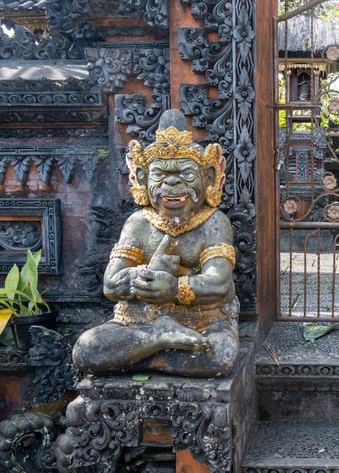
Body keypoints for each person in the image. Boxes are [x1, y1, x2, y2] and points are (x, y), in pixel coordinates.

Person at [72, 109, 239, 377]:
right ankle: (158, 341)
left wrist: (174, 287)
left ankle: (135, 354)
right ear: (141, 177)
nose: (172, 183)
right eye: (160, 175)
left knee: (220, 354)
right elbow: (111, 285)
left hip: (202, 321)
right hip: (139, 322)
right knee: (85, 349)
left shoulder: (214, 222)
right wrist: (143, 276)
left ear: (207, 177)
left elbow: (220, 284)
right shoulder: (138, 223)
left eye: (185, 175)